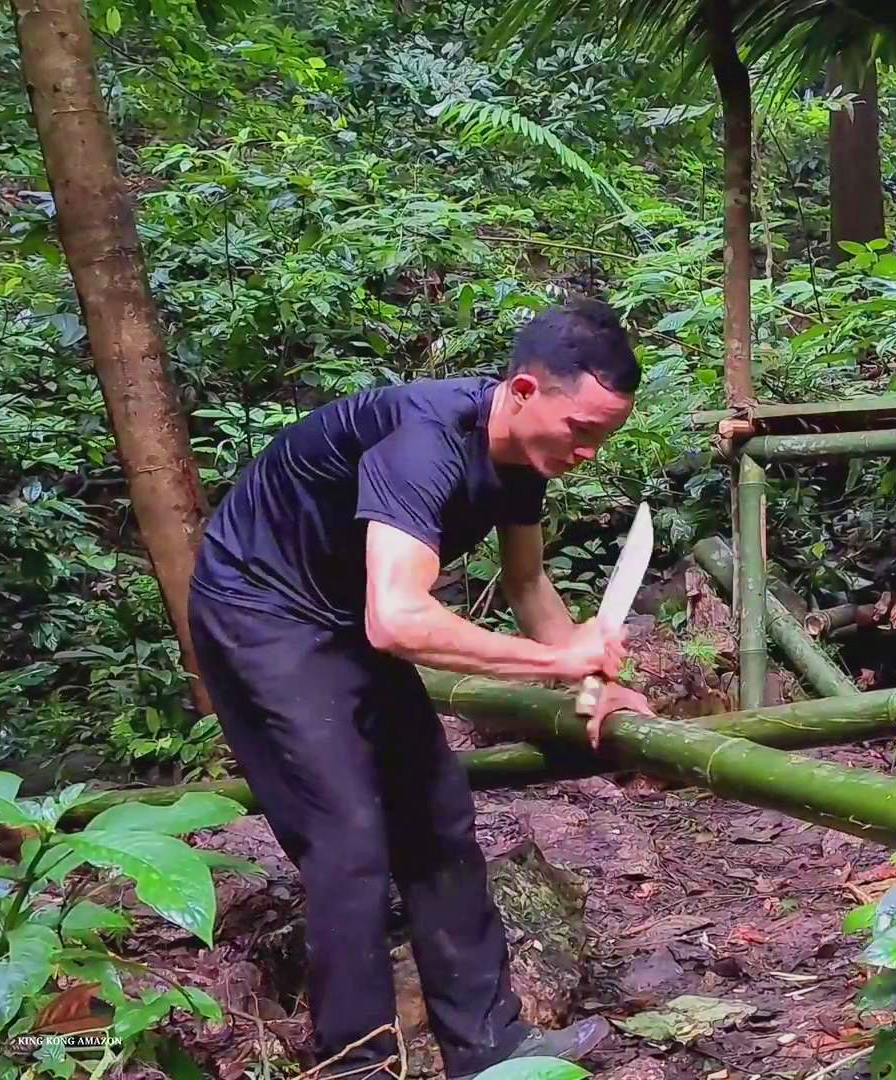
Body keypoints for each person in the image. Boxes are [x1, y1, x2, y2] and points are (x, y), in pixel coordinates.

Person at [187, 299, 653, 1079]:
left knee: (439, 817)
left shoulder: (524, 459)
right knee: (349, 842)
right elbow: (398, 619)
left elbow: (529, 582)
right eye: (582, 432)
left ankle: (490, 1049)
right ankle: (356, 1067)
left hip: (344, 614)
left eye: (603, 438)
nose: (589, 454)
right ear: (525, 391)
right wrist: (554, 666)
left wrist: (595, 672)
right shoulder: (423, 442)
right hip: (261, 610)